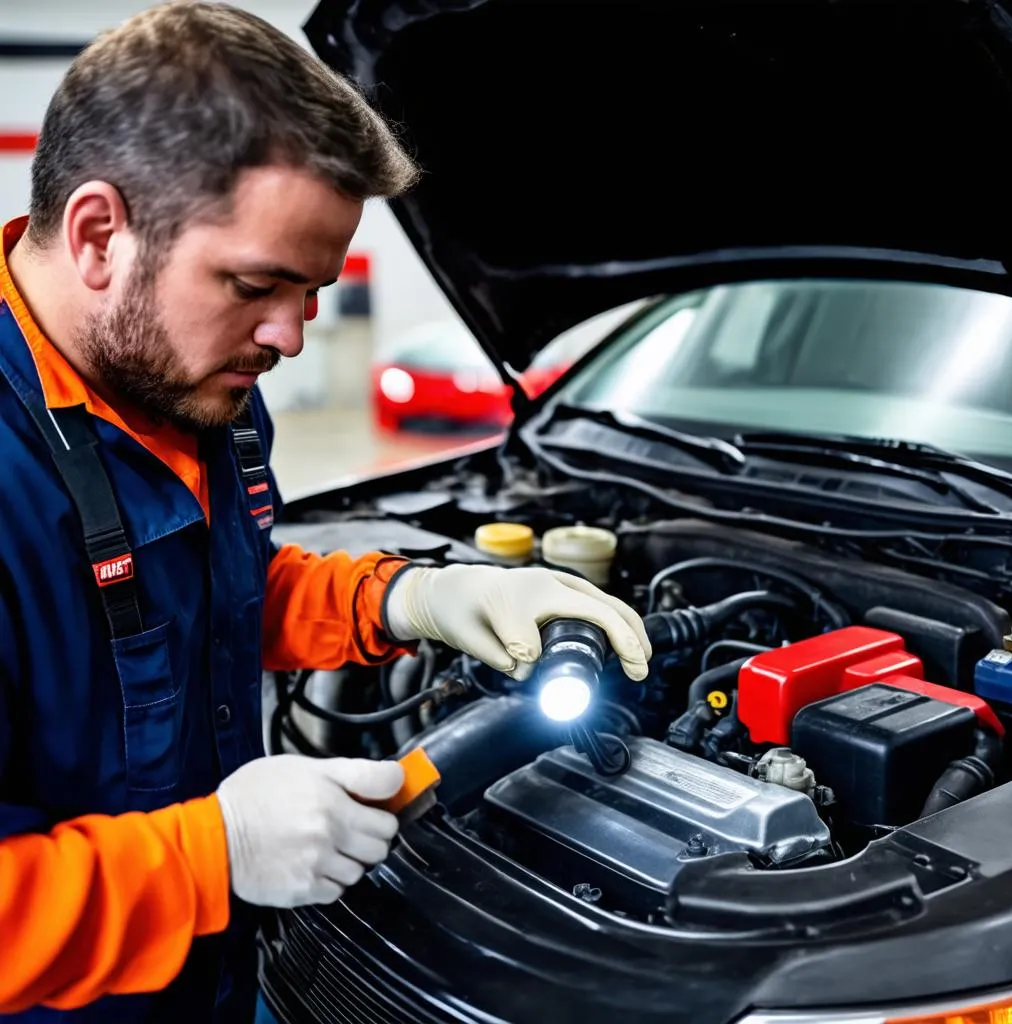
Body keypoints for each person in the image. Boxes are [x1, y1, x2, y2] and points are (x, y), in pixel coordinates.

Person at [0, 2, 652, 1022]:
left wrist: (414, 599)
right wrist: (211, 856)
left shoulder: (193, 381)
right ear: (97, 235)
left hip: (222, 978)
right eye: (258, 285)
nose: (293, 338)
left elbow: (201, 594)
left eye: (313, 291)